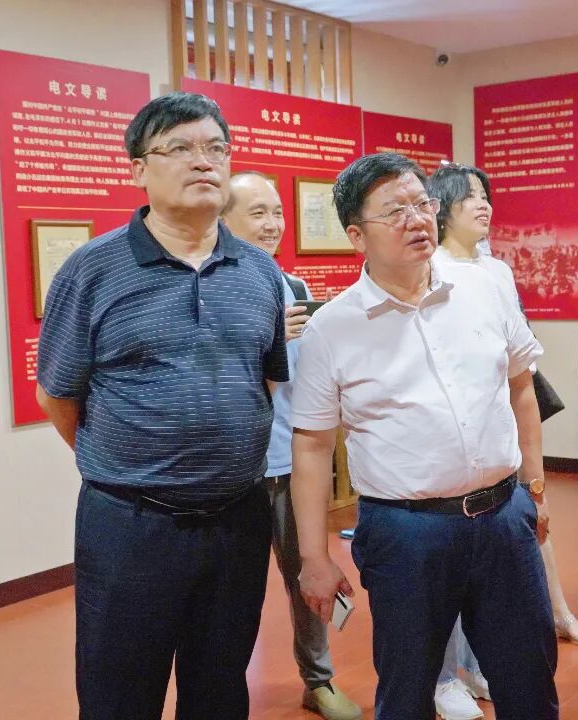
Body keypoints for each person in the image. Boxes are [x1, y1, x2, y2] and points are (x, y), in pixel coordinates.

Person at [36, 92, 288, 720]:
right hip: (131, 524)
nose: (204, 161)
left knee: (221, 688)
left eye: (216, 148)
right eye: (179, 148)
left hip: (238, 518)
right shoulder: (93, 270)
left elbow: (265, 381)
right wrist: (130, 462)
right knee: (119, 693)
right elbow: (58, 395)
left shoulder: (259, 272)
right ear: (139, 170)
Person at [290, 153, 558, 720]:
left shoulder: (484, 288)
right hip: (405, 533)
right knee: (407, 690)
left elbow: (521, 387)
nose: (417, 219)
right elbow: (312, 446)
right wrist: (314, 556)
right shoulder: (332, 328)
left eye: (422, 203)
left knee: (530, 679)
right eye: (395, 211)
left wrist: (534, 488)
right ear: (356, 235)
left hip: (503, 516)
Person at [427, 163, 578, 720]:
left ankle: (478, 666)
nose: (483, 205)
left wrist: (534, 474)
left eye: (485, 196)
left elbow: (518, 370)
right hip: (447, 447)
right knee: (445, 572)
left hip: (499, 435)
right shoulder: (429, 267)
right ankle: (443, 680)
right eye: (470, 197)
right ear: (442, 207)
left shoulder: (497, 270)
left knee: (494, 576)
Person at [220, 171, 362, 720]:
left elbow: (304, 381)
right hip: (233, 473)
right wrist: (265, 340)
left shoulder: (293, 288)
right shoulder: (215, 292)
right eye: (257, 212)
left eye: (277, 211)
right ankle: (221, 688)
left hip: (290, 463)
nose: (272, 224)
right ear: (223, 220)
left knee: (310, 577)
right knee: (231, 594)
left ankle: (318, 680)